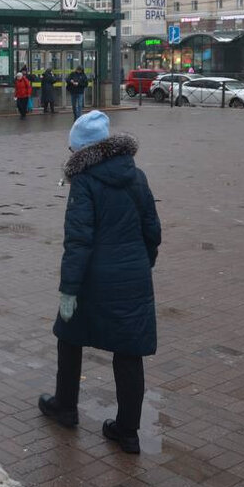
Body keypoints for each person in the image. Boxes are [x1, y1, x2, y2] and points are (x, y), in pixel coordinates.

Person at [39, 111, 161, 455]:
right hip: (134, 275)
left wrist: (68, 289)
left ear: (83, 150)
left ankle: (65, 406)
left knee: (69, 335)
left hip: (94, 279)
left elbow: (78, 242)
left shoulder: (85, 183)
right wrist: (142, 264)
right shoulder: (137, 176)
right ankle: (128, 432)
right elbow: (152, 229)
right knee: (128, 351)